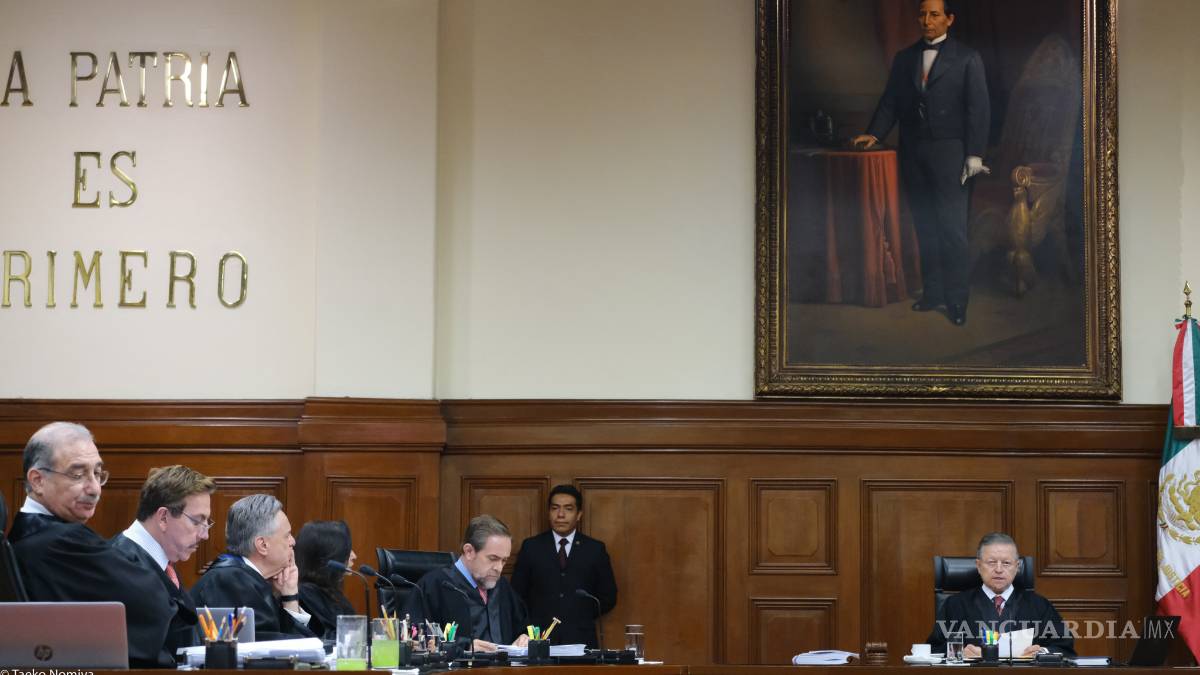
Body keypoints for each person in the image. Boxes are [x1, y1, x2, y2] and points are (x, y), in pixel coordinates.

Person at [851, 0, 990, 326]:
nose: (927, 20)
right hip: (912, 152)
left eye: (934, 14)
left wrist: (974, 154)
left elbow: (979, 109)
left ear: (949, 19)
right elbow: (890, 101)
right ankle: (933, 292)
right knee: (925, 225)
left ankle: (957, 300)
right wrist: (874, 133)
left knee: (952, 230)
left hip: (951, 154)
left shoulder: (968, 58)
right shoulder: (905, 58)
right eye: (923, 14)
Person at [8, 422, 184, 668]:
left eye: (98, 473)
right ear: (38, 480)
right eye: (78, 475)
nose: (94, 489)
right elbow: (153, 602)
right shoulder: (62, 541)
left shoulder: (23, 532)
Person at [112, 465, 217, 660]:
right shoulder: (121, 565)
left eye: (206, 523)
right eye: (197, 521)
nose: (205, 535)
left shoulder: (162, 562)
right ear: (163, 517)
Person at [191, 494, 316, 640]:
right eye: (287, 535)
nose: (293, 542)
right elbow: (276, 646)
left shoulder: (246, 577)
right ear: (262, 545)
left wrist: (289, 596)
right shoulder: (231, 581)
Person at [928, 532, 1074, 656]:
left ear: (1017, 567)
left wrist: (1040, 652)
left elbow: (1064, 647)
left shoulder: (1039, 605)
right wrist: (959, 652)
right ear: (978, 566)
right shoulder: (955, 605)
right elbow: (934, 649)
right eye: (991, 562)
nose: (998, 569)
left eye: (1006, 563)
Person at [403, 514, 530, 652]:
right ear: (469, 551)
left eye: (504, 560)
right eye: (493, 558)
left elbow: (523, 627)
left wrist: (524, 638)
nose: (499, 568)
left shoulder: (502, 587)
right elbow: (412, 639)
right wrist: (465, 647)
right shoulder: (434, 585)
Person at [511, 484, 617, 648]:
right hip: (538, 638)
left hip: (581, 638)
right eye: (555, 508)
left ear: (579, 514)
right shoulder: (531, 547)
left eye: (568, 509)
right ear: (549, 512)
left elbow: (608, 597)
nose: (560, 515)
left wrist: (579, 614)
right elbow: (516, 594)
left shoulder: (595, 549)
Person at [294, 520, 358, 640]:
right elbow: (328, 638)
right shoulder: (306, 594)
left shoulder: (330, 591)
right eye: (346, 551)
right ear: (330, 555)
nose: (354, 556)